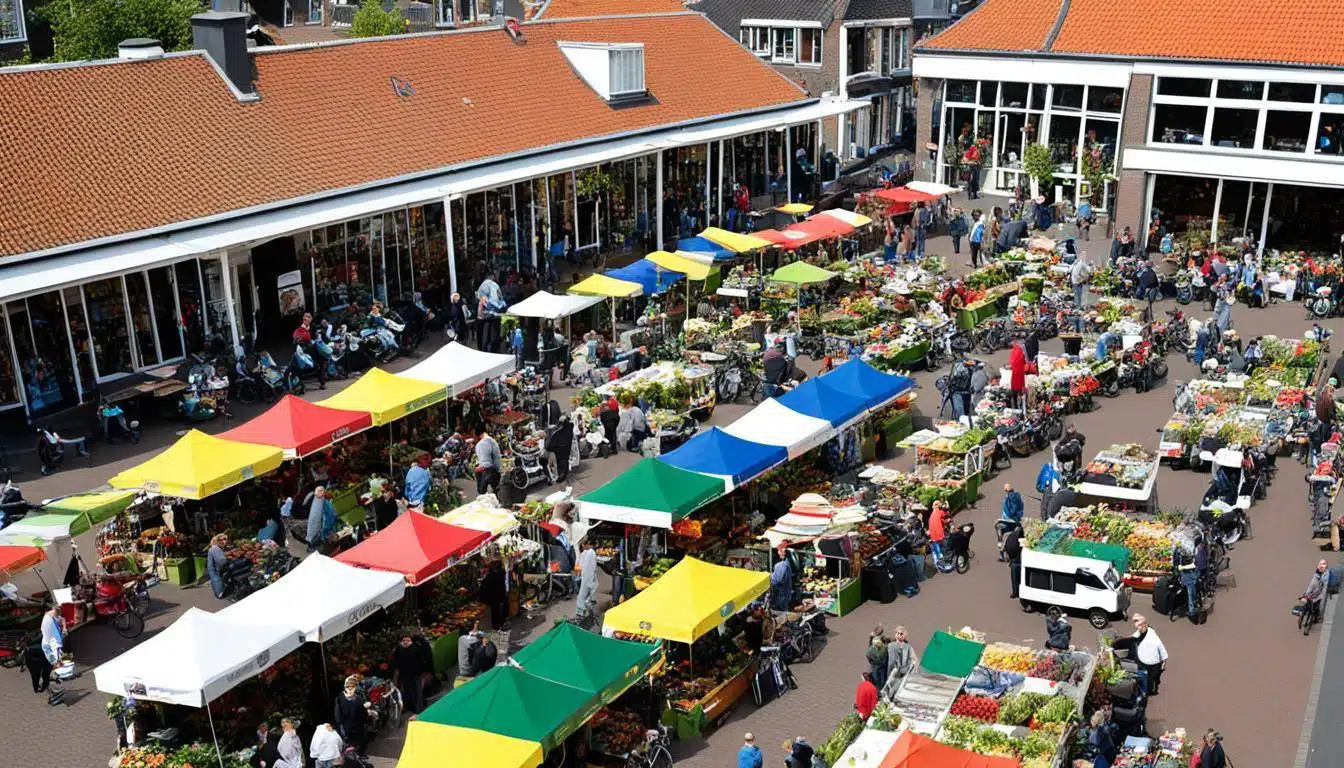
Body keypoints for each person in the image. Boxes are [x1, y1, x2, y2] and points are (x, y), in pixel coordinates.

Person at [334, 676, 372, 757]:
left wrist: (366, 711)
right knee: (351, 744)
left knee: (361, 742)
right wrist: (340, 725)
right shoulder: (339, 698)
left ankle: (361, 755)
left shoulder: (358, 697)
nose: (350, 688)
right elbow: (337, 713)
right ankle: (353, 758)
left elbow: (363, 711)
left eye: (352, 686)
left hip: (359, 725)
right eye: (348, 686)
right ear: (345, 687)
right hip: (347, 726)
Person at [1129, 614, 1168, 695]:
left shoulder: (1153, 638)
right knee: (1150, 677)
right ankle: (1150, 690)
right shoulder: (1144, 632)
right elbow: (1133, 636)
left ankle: (1148, 691)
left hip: (1151, 663)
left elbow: (1162, 650)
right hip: (1151, 662)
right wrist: (1163, 663)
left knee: (1149, 677)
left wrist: (1164, 662)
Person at [393, 632, 427, 715]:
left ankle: (418, 709)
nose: (405, 642)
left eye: (407, 640)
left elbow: (421, 659)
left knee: (416, 692)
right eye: (404, 640)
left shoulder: (416, 647)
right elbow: (396, 660)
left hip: (414, 675)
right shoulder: (399, 649)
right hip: (406, 675)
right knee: (409, 692)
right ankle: (413, 708)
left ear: (411, 641)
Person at [293, 312, 328, 390]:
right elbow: (296, 341)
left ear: (311, 319)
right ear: (303, 319)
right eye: (305, 317)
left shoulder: (313, 327)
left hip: (314, 349)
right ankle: (300, 384)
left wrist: (319, 336)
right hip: (305, 350)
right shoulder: (300, 329)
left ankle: (322, 382)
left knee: (322, 360)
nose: (306, 318)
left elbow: (319, 337)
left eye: (308, 317)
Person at [881, 626, 916, 700]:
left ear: (905, 636)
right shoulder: (892, 645)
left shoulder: (906, 647)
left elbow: (913, 659)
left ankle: (893, 699)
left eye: (901, 633)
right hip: (895, 671)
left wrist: (908, 667)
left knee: (896, 687)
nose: (899, 635)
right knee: (892, 686)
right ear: (895, 634)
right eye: (898, 633)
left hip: (900, 672)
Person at [304, 485, 336, 552]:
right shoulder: (320, 502)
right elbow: (316, 521)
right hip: (320, 537)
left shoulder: (322, 502)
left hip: (320, 536)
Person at [479, 560, 508, 630]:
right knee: (497, 610)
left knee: (495, 611)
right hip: (498, 595)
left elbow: (487, 585)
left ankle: (496, 625)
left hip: (494, 596)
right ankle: (498, 624)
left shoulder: (492, 575)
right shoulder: (501, 572)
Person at [998, 483, 1023, 560]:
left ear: (1006, 490)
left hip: (1008, 521)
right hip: (1016, 520)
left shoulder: (1009, 497)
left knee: (1002, 536)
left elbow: (1011, 511)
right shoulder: (1017, 495)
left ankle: (1002, 555)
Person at [1175, 543, 1200, 620]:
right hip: (1191, 580)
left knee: (1190, 595)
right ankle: (1193, 609)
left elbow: (1180, 569)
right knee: (1192, 595)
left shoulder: (1183, 566)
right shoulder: (1190, 566)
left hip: (1187, 580)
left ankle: (1192, 610)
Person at [575, 539, 599, 621]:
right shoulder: (588, 553)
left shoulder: (588, 553)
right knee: (585, 597)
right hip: (587, 578)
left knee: (582, 597)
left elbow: (582, 567)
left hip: (586, 578)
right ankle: (587, 615)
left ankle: (583, 614)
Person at [547, 414, 574, 482]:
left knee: (561, 462)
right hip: (567, 447)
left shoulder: (558, 433)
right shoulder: (570, 427)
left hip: (560, 449)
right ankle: (565, 472)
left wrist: (549, 448)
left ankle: (562, 474)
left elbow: (551, 445)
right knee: (565, 460)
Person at [474, 429, 502, 495]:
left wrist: (477, 469)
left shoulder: (483, 443)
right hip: (496, 470)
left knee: (482, 493)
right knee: (496, 491)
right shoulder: (492, 441)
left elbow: (486, 464)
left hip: (487, 471)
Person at [770, 545, 794, 611]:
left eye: (780, 550)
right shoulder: (787, 563)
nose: (778, 552)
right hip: (785, 595)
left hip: (781, 596)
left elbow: (774, 581)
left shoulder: (781, 565)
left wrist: (768, 576)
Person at [206, 533, 230, 598]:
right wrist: (227, 559)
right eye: (224, 539)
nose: (225, 541)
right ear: (218, 540)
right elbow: (221, 561)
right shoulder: (215, 548)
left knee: (216, 580)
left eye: (226, 539)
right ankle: (220, 594)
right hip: (214, 569)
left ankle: (219, 593)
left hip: (213, 569)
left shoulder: (215, 548)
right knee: (216, 580)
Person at [1004, 524, 1024, 599]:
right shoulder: (1021, 537)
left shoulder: (1011, 536)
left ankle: (1015, 592)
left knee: (1014, 578)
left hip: (1013, 560)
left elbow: (1006, 547)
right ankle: (1020, 593)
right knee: (1021, 577)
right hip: (1019, 560)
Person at [928, 500, 950, 565]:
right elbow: (946, 514)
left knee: (937, 550)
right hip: (939, 534)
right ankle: (947, 560)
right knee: (945, 546)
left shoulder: (932, 515)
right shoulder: (939, 512)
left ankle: (939, 562)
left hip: (933, 536)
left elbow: (942, 521)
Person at [1008, 342, 1028, 410]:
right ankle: (1021, 408)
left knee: (1014, 395)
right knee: (1021, 395)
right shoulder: (1020, 352)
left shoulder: (1015, 352)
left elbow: (1011, 361)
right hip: (1020, 378)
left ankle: (1016, 407)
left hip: (1015, 379)